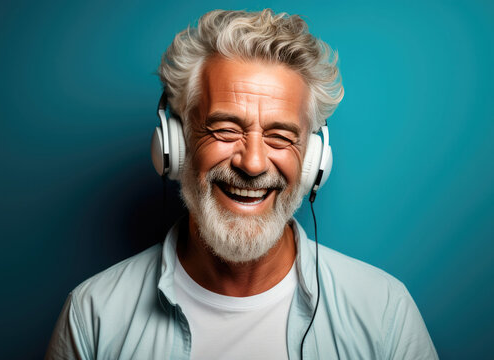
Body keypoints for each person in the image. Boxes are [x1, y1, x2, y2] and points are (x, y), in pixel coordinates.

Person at [46, 9, 438, 360]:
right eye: (225, 129)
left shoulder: (385, 312)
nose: (252, 163)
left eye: (280, 136)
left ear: (313, 161)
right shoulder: (93, 315)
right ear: (175, 147)